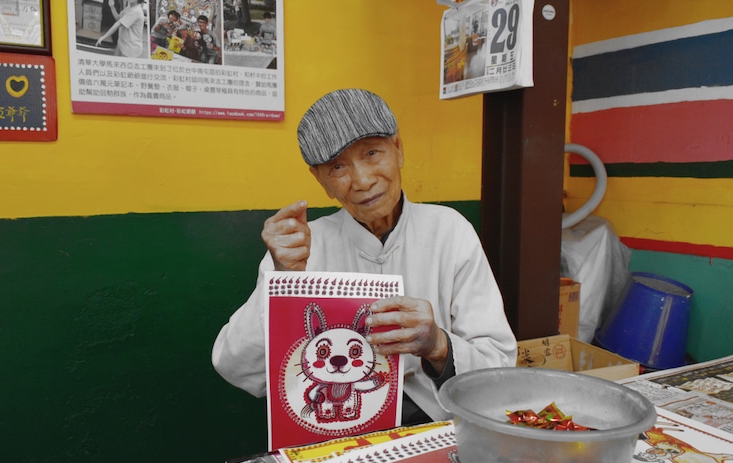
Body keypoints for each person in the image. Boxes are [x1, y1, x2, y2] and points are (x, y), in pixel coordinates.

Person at [211, 88, 517, 424]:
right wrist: (282, 280)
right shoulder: (303, 248)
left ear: (398, 150)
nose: (362, 180)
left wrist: (437, 344)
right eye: (338, 166)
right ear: (321, 180)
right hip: (334, 430)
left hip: (435, 427)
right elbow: (235, 367)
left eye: (372, 153)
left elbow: (499, 366)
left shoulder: (449, 231)